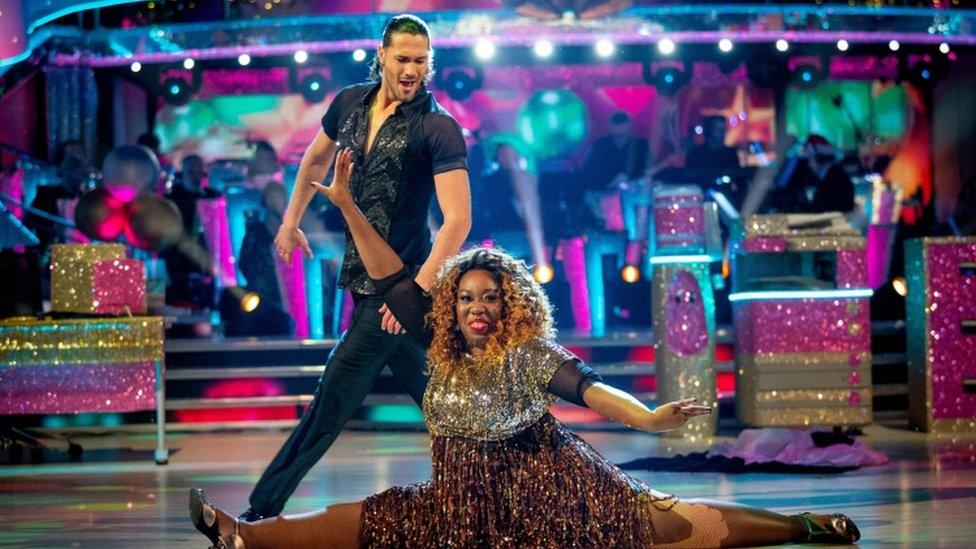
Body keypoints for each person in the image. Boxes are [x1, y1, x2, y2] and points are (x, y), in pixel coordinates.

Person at [189, 148, 861, 548]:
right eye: (467, 296)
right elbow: (392, 274)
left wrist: (650, 419)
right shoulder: (441, 347)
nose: (478, 307)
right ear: (451, 304)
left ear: (508, 304)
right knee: (370, 519)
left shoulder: (527, 354)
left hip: (567, 498)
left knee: (683, 526)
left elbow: (592, 388)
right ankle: (243, 534)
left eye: (490, 296)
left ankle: (804, 525)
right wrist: (344, 206)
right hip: (463, 504)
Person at [238, 14, 471, 522]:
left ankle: (259, 512)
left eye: (421, 61)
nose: (411, 70)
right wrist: (290, 221)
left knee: (331, 399)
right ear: (382, 56)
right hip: (366, 284)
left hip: (400, 286)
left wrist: (413, 291)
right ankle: (498, 487)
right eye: (403, 58)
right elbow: (312, 162)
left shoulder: (438, 127)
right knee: (444, 403)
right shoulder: (349, 104)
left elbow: (457, 223)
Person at [469, 142, 548, 268]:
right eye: (502, 154)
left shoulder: (527, 177)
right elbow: (485, 206)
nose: (505, 158)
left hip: (523, 234)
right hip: (501, 232)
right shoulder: (490, 181)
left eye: (508, 153)